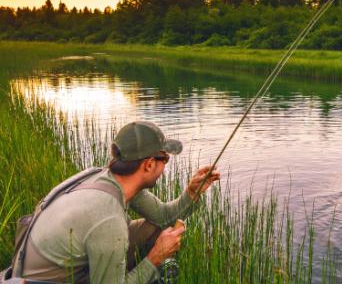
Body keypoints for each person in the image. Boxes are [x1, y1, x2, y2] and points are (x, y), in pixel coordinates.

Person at [15, 121, 220, 283]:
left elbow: (164, 217)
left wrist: (192, 193)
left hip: (56, 264)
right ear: (148, 164)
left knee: (154, 228)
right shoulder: (108, 218)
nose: (165, 166)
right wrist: (155, 257)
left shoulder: (108, 178)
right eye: (164, 159)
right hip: (49, 280)